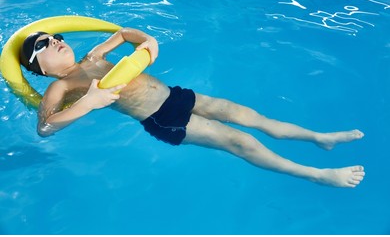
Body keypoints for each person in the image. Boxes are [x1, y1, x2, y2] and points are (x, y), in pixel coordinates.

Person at [19, 28, 365, 188]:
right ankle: (317, 176)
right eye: (44, 44)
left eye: (56, 36)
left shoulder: (94, 56)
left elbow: (125, 34)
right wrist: (90, 102)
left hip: (179, 95)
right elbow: (45, 126)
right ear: (40, 69)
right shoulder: (60, 87)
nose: (56, 40)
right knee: (241, 143)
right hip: (162, 118)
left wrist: (149, 43)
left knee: (255, 118)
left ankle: (320, 137)